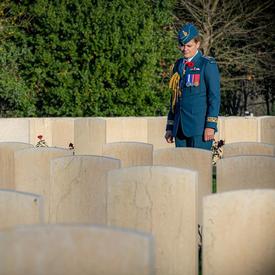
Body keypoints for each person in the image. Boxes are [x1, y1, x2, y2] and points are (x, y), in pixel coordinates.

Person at [165, 23, 220, 150]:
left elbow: (214, 97)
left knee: (199, 167)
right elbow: (174, 98)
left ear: (198, 44)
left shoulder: (207, 64)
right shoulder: (178, 65)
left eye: (189, 45)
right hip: (179, 128)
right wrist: (170, 126)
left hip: (200, 129)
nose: (185, 49)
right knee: (182, 168)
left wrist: (210, 126)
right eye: (182, 45)